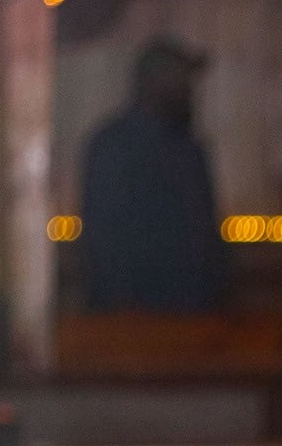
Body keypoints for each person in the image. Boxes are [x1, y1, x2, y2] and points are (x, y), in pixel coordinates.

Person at [77, 37, 230, 312]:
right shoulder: (114, 147)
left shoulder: (188, 149)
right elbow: (105, 239)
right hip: (132, 316)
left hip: (193, 313)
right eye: (178, 78)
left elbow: (204, 235)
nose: (188, 89)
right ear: (152, 82)